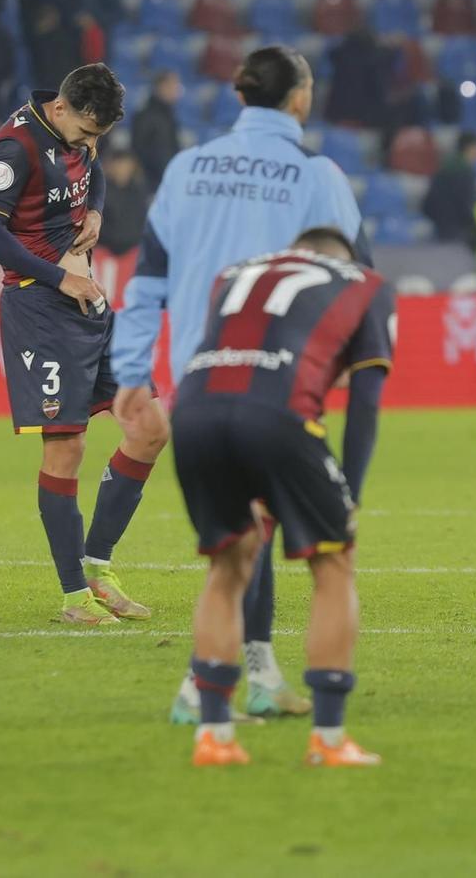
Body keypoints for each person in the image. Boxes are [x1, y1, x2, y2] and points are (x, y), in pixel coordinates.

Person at [112, 45, 368, 725]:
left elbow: (148, 279)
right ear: (301, 99)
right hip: (274, 370)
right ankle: (206, 685)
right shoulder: (317, 175)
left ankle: (256, 671)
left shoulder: (186, 168)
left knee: (243, 532)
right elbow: (351, 276)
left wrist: (132, 371)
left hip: (198, 372)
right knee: (252, 537)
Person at [176, 228, 393, 769]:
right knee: (333, 562)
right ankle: (329, 737)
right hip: (278, 413)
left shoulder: (234, 274)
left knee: (228, 564)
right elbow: (365, 401)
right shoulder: (366, 284)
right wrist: (352, 495)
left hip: (194, 411)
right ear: (343, 259)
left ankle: (214, 736)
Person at [0, 64, 165, 626]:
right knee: (67, 450)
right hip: (40, 307)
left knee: (150, 429)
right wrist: (61, 277)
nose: (91, 144)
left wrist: (96, 210)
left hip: (89, 300)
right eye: (85, 132)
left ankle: (99, 569)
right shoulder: (14, 149)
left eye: (98, 136)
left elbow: (91, 170)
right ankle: (74, 596)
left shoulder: (78, 135)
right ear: (61, 108)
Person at [130, 70, 185, 194]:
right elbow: (138, 150)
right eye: (174, 85)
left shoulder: (169, 115)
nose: (177, 90)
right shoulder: (145, 116)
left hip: (167, 180)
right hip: (151, 185)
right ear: (162, 87)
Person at [423, 130, 476, 248]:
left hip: (441, 225)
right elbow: (466, 205)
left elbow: (429, 201)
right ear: (470, 148)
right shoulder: (465, 171)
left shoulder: (444, 166)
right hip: (457, 230)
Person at [97, 149, 148, 256]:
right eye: (119, 164)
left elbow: (142, 222)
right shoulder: (100, 191)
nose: (122, 168)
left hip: (133, 252)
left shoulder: (139, 192)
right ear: (111, 166)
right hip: (103, 251)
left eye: (126, 164)